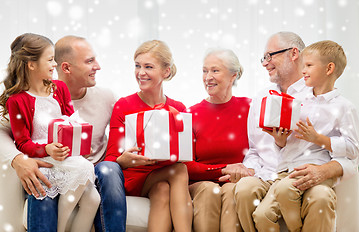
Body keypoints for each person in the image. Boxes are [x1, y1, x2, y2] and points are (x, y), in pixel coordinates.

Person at [234, 31, 359, 232]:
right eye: (263, 58)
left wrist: (324, 168)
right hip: (272, 174)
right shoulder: (261, 98)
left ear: (293, 54)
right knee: (246, 193)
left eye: (269, 56)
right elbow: (255, 150)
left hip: (305, 171)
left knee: (320, 197)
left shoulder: (312, 96)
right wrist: (275, 144)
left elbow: (351, 153)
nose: (264, 63)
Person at [0, 34, 126, 232]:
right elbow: (21, 142)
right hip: (48, 159)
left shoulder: (60, 89)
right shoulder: (17, 101)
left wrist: (79, 137)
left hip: (69, 157)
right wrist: (42, 151)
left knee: (93, 198)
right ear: (31, 65)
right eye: (50, 60)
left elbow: (70, 120)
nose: (54, 64)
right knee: (54, 185)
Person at [104, 40, 192, 232]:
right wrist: (125, 161)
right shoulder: (124, 105)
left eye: (148, 67)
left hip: (161, 179)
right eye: (137, 66)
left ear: (166, 71)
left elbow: (187, 156)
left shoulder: (178, 109)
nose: (140, 73)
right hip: (133, 177)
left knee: (163, 190)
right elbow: (110, 158)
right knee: (179, 171)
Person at [55, 35, 126, 232]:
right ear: (67, 68)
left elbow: (131, 129)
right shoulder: (45, 99)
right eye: (89, 61)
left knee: (109, 169)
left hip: (99, 173)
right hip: (64, 173)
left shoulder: (107, 97)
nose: (98, 66)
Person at [185, 48, 252, 232]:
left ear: (233, 76)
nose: (208, 77)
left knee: (232, 191)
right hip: (201, 184)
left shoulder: (249, 108)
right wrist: (222, 169)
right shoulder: (191, 114)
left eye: (215, 71)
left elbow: (263, 152)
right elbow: (186, 166)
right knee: (209, 190)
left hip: (235, 182)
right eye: (205, 71)